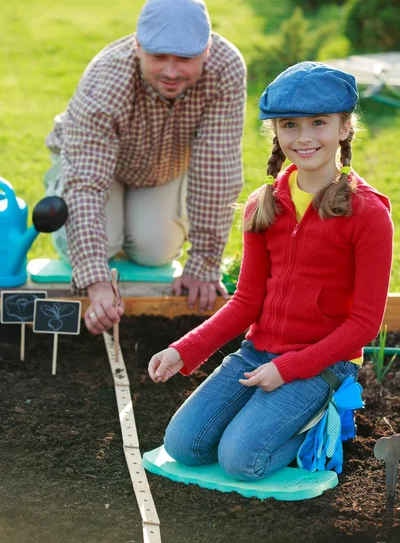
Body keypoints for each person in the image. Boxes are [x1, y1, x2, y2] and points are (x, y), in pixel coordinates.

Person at [148, 62, 394, 482]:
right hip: (258, 352)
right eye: (289, 124)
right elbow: (245, 303)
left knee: (241, 461)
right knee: (183, 445)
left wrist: (290, 369)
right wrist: (183, 350)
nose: (303, 136)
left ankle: (320, 427)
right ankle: (266, 417)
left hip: (323, 363)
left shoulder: (367, 214)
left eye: (319, 122)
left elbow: (364, 325)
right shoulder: (265, 205)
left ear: (343, 128)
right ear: (276, 132)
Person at [44, 0, 246, 335]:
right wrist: (95, 280)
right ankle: (96, 237)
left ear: (207, 50)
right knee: (102, 244)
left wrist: (204, 262)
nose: (171, 71)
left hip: (164, 168)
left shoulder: (226, 69)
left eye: (185, 59)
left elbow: (217, 167)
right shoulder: (106, 80)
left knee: (156, 250)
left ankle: (133, 228)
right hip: (100, 169)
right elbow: (87, 184)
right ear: (138, 47)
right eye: (158, 57)